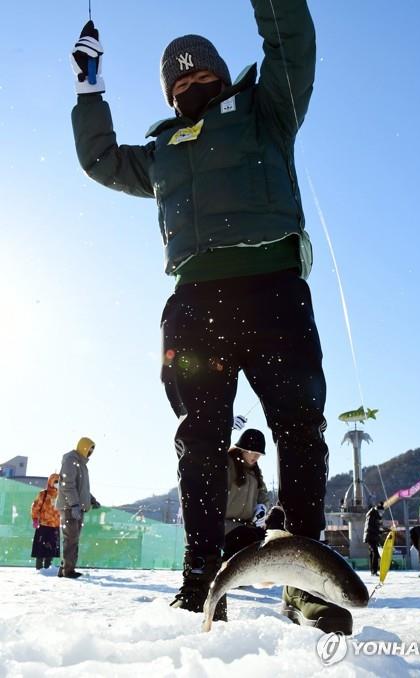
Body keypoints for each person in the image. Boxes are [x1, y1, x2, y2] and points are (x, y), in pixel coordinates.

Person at [69, 2, 346, 632]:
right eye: (178, 81)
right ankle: (199, 580)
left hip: (273, 287)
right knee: (200, 439)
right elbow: (102, 161)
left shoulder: (266, 110)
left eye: (202, 76)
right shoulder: (163, 148)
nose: (191, 84)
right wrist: (90, 88)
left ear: (222, 76)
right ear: (168, 92)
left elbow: (291, 44)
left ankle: (305, 582)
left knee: (300, 428)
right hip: (196, 303)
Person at [56, 437, 101, 578]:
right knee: (71, 539)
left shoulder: (81, 463)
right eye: (89, 449)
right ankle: (68, 571)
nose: (90, 453)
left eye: (92, 450)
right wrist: (74, 504)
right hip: (70, 507)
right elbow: (67, 484)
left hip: (77, 507)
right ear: (83, 447)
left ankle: (65, 569)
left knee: (73, 539)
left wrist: (91, 500)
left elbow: (82, 488)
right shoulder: (70, 460)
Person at [223, 429, 269, 561]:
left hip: (246, 525)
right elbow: (212, 453)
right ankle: (224, 575)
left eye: (259, 454)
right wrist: (228, 427)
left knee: (266, 541)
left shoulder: (255, 472)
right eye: (252, 452)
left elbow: (263, 495)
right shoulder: (228, 464)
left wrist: (262, 507)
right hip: (225, 524)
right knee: (243, 541)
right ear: (242, 449)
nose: (255, 457)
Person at [30, 473, 61, 570]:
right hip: (43, 525)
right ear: (50, 481)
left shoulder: (61, 495)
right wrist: (35, 518)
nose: (57, 483)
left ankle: (48, 569)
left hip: (55, 525)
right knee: (40, 548)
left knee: (51, 549)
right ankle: (39, 569)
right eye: (55, 481)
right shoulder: (43, 494)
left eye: (59, 482)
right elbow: (35, 506)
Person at [363, 502, 384, 575]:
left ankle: (373, 571)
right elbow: (370, 528)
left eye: (382, 512)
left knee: (372, 553)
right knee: (375, 553)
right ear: (377, 510)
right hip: (370, 537)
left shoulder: (375, 516)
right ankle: (374, 571)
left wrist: (383, 530)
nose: (382, 513)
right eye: (380, 511)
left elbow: (377, 527)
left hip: (373, 536)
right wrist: (379, 531)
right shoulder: (372, 516)